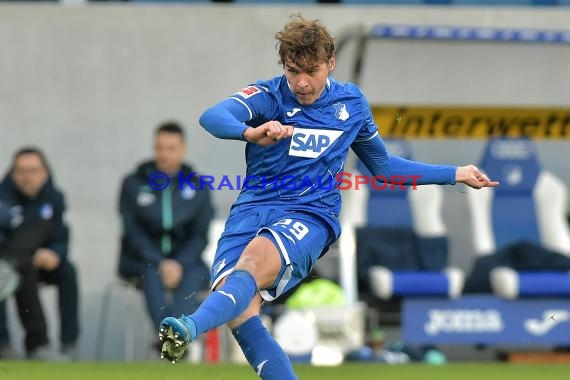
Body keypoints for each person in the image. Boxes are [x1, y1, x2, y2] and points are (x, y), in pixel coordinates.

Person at [158, 15, 498, 378]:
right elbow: (212, 116)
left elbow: (383, 166)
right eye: (293, 71)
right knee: (239, 310)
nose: (302, 82)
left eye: (311, 71)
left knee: (253, 264)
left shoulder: (350, 105)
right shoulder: (269, 96)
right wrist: (250, 132)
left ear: (330, 63)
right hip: (252, 209)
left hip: (310, 214)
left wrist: (453, 173)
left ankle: (189, 327)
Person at [118, 122, 213, 351]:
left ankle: (171, 338)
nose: (164, 154)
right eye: (159, 147)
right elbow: (132, 232)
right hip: (142, 260)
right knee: (151, 271)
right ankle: (174, 341)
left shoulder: (198, 185)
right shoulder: (133, 183)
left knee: (194, 276)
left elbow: (200, 235)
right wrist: (162, 262)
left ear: (182, 150)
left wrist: (178, 263)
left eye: (171, 148)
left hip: (188, 262)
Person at [0, 147, 79, 360]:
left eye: (33, 170)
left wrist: (54, 253)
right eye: (22, 171)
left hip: (43, 262)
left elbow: (62, 235)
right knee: (8, 272)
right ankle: (24, 344)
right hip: (10, 266)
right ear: (13, 173)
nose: (28, 177)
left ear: (44, 172)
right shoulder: (2, 199)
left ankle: (68, 344)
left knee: (68, 272)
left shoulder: (55, 198)